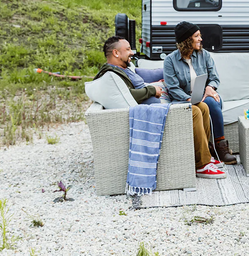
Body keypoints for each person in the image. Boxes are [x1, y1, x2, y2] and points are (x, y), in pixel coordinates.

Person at [164, 21, 238, 166]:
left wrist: (210, 87)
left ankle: (220, 147)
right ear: (186, 40)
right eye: (197, 36)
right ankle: (209, 149)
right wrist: (188, 98)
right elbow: (173, 88)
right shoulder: (170, 61)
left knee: (209, 102)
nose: (201, 39)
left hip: (208, 96)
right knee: (201, 106)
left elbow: (214, 78)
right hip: (184, 100)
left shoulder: (204, 55)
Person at [95, 36, 165, 104]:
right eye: (128, 49)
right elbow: (125, 95)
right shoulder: (111, 75)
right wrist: (152, 90)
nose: (132, 53)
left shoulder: (121, 68)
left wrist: (154, 85)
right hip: (155, 109)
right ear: (116, 53)